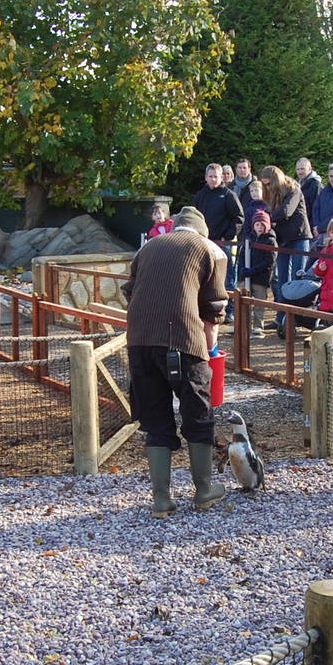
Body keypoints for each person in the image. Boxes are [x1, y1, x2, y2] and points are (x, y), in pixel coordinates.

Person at [121, 205, 228, 517]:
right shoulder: (209, 250)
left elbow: (131, 292)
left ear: (175, 226)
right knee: (197, 413)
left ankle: (161, 499)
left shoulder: (148, 247)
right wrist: (211, 351)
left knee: (155, 418)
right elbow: (213, 309)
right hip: (183, 341)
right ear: (202, 231)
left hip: (139, 342)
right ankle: (204, 490)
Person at [260, 164, 312, 331]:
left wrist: (267, 218)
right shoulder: (272, 194)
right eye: (265, 185)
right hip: (283, 239)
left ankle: (295, 318)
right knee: (282, 279)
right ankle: (281, 317)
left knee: (297, 278)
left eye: (269, 184)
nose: (268, 187)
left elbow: (286, 211)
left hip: (299, 237)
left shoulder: (293, 189)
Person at [193, 163, 244, 319]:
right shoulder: (200, 196)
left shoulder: (228, 195)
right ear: (206, 177)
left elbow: (239, 218)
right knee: (204, 277)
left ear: (221, 177)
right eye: (210, 176)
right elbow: (194, 217)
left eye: (216, 176)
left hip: (222, 244)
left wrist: (227, 236)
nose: (213, 179)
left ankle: (230, 311)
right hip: (203, 242)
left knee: (227, 279)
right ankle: (204, 309)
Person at [246, 208, 277, 318]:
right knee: (244, 302)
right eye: (257, 224)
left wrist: (253, 270)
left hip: (261, 278)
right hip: (246, 276)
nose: (259, 227)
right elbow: (242, 255)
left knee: (259, 305)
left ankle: (258, 325)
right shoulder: (249, 238)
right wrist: (242, 269)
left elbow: (269, 261)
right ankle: (243, 323)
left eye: (262, 225)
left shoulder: (270, 241)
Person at [296, 157, 322, 226]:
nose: (300, 172)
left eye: (302, 169)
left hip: (311, 226)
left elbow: (317, 209)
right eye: (298, 169)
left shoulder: (316, 185)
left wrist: (314, 226)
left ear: (310, 169)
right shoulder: (298, 185)